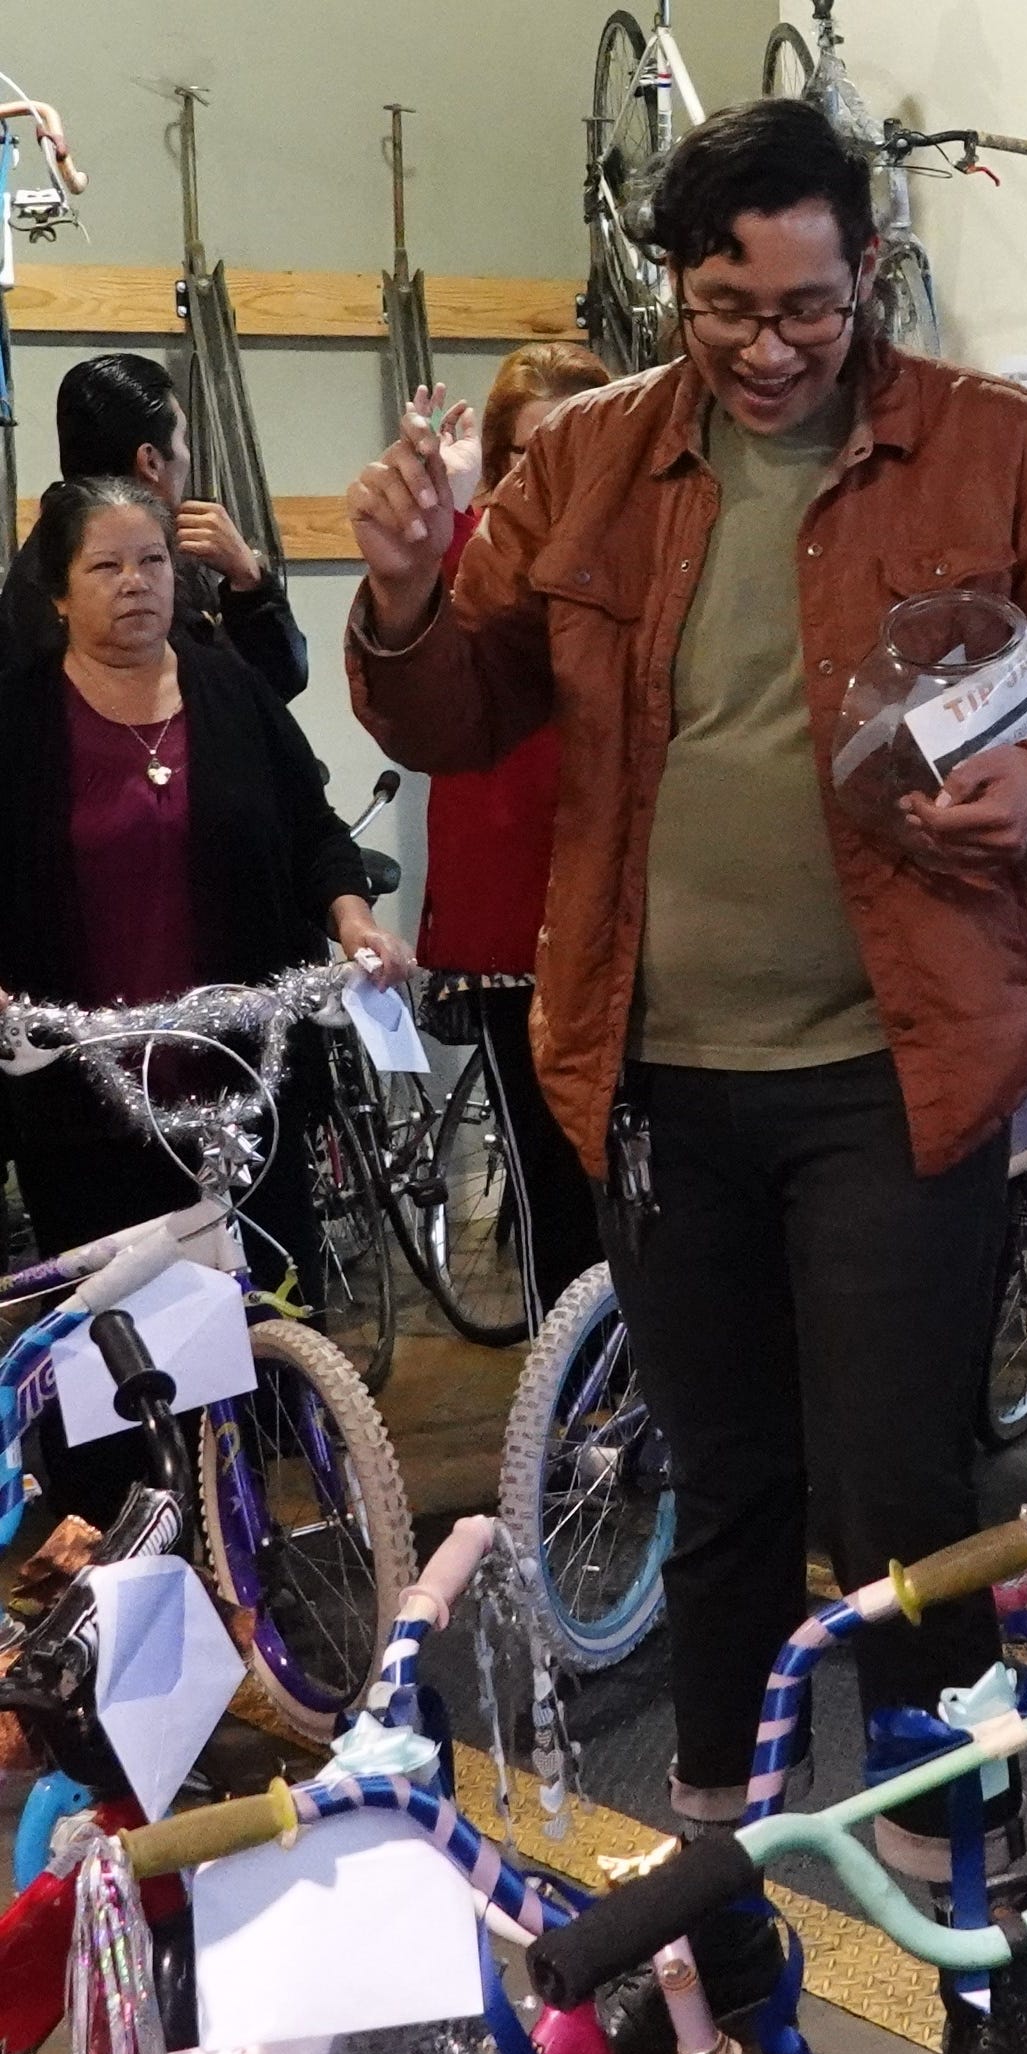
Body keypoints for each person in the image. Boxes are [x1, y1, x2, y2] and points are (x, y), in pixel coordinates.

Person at [339, 98, 1027, 2054]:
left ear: (875, 273)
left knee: (898, 1503)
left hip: (898, 1072)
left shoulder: (990, 446)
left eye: (810, 303)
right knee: (727, 1507)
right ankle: (724, 1949)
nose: (768, 346)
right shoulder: (594, 457)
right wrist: (390, 604)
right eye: (727, 305)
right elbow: (458, 712)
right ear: (677, 284)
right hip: (652, 1076)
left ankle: (980, 1965)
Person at [0, 480, 405, 1515]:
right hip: (86, 1100)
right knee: (113, 1378)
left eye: (152, 562)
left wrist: (352, 917)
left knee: (256, 1342)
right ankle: (125, 1569)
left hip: (237, 1092)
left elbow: (317, 832)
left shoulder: (230, 691)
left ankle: (248, 1565)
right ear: (56, 592)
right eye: (106, 566)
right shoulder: (18, 719)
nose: (136, 585)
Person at [412, 342, 615, 1323]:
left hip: (630, 908)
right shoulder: (472, 548)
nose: (549, 475)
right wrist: (448, 518)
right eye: (527, 452)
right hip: (513, 922)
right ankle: (562, 1420)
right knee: (547, 1181)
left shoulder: (646, 544)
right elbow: (443, 656)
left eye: (573, 446)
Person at [0, 354, 306, 701]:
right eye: (182, 439)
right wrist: (249, 583)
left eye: (151, 562)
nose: (133, 582)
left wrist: (250, 584)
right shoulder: (131, 563)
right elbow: (258, 692)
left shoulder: (49, 554)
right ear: (150, 461)